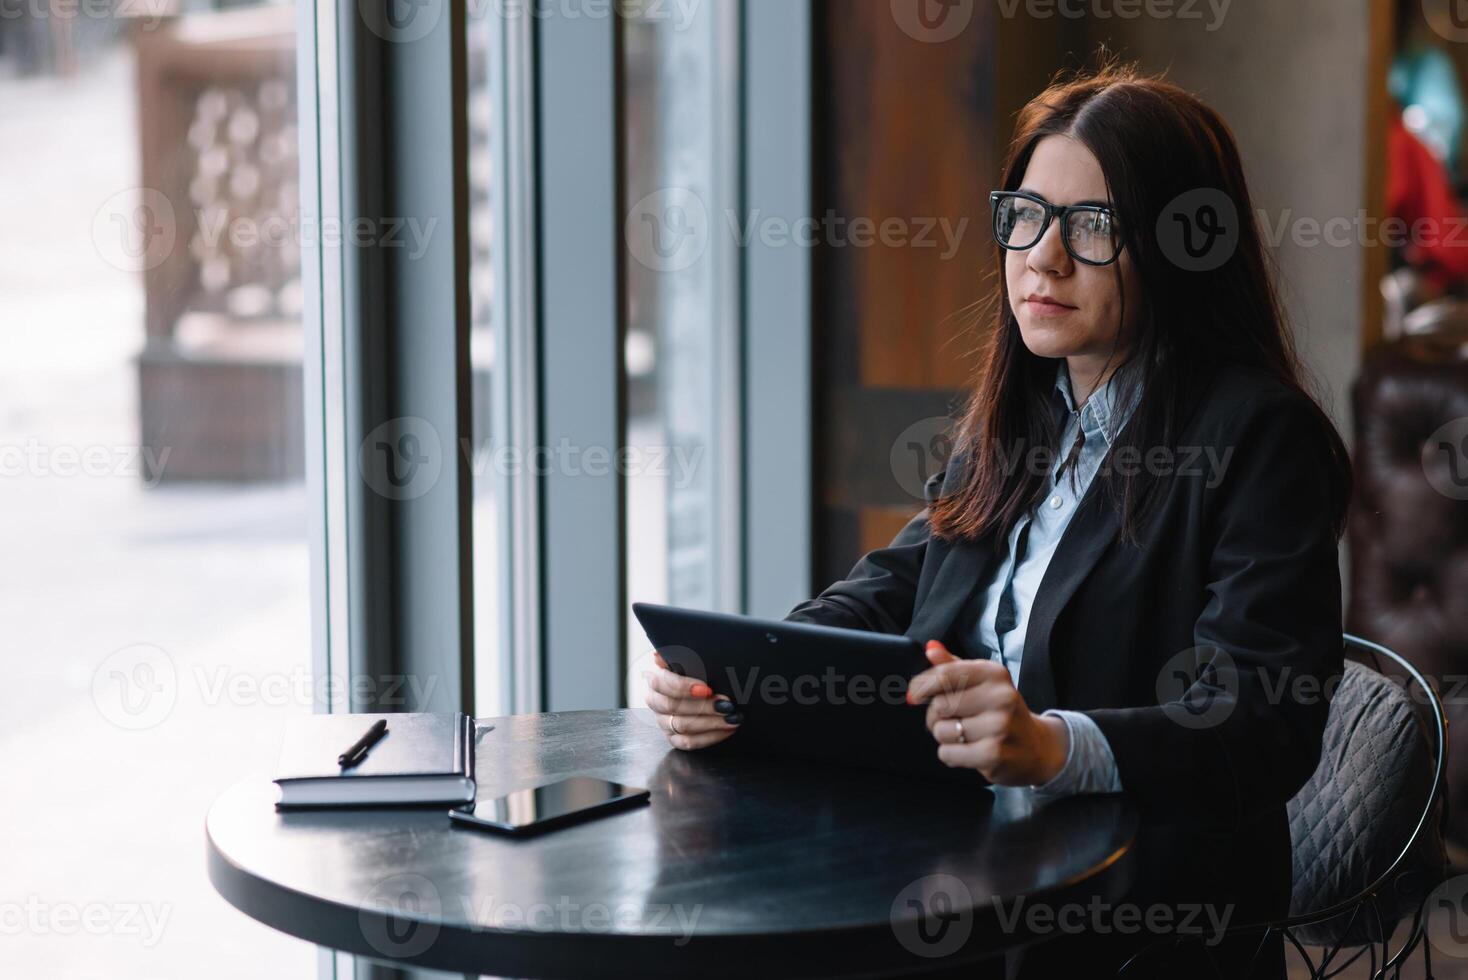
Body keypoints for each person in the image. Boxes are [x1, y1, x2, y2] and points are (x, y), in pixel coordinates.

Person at [643, 61, 1352, 979]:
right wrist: (741, 678)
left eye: (1093, 228)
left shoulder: (1256, 437)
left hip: (1126, 918)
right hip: (957, 876)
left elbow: (1261, 721)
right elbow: (899, 584)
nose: (1042, 258)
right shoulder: (1027, 412)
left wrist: (1053, 745)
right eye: (1025, 217)